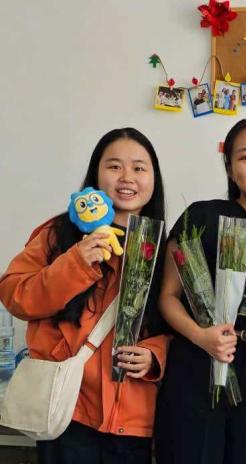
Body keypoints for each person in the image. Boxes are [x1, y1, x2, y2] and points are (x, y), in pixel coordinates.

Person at [0, 128, 169, 464]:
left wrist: (155, 355)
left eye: (139, 168)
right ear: (96, 174)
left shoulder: (164, 248)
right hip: (67, 410)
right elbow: (15, 295)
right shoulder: (59, 233)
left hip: (134, 421)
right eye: (114, 166)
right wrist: (75, 262)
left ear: (153, 179)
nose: (127, 177)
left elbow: (177, 323)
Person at [154, 116, 246, 464]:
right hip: (193, 364)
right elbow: (168, 297)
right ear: (230, 168)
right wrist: (201, 336)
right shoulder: (201, 216)